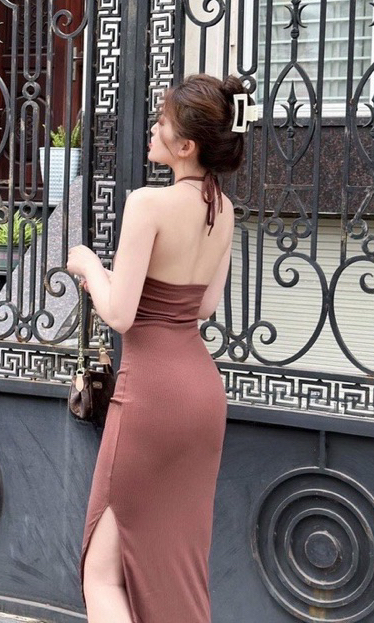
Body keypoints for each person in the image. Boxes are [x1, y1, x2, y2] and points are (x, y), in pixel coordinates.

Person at [66, 73, 248, 622]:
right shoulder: (224, 210)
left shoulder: (148, 203)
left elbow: (121, 314)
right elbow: (204, 305)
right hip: (200, 394)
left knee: (102, 574)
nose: (154, 127)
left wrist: (88, 265)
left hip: (150, 396)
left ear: (186, 145)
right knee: (176, 566)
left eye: (163, 121)